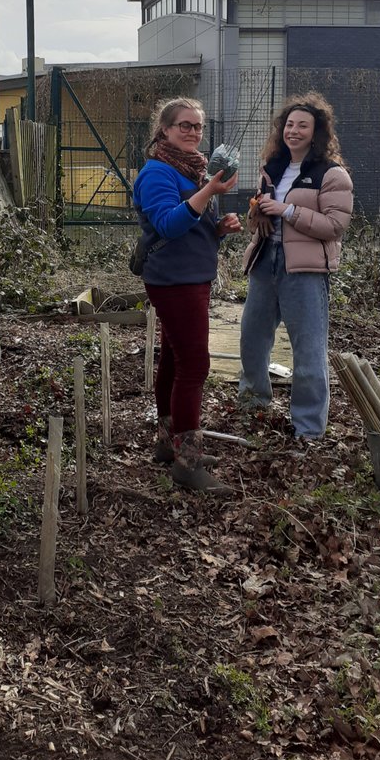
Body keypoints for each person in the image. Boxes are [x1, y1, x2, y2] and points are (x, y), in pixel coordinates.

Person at [133, 97, 242, 493]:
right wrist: (208, 191)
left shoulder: (192, 169)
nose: (194, 132)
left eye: (198, 126)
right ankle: (188, 462)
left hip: (190, 275)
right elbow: (166, 224)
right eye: (184, 125)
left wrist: (220, 229)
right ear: (164, 130)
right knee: (195, 365)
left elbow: (193, 228)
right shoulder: (157, 172)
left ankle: (169, 442)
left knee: (175, 360)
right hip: (174, 281)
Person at [238, 92, 353, 443]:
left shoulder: (332, 175)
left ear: (317, 132)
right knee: (252, 339)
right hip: (265, 263)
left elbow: (335, 226)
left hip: (304, 271)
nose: (294, 131)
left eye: (303, 125)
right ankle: (253, 404)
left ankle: (308, 427)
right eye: (289, 124)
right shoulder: (272, 168)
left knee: (308, 350)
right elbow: (263, 212)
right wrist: (257, 212)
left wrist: (286, 211)